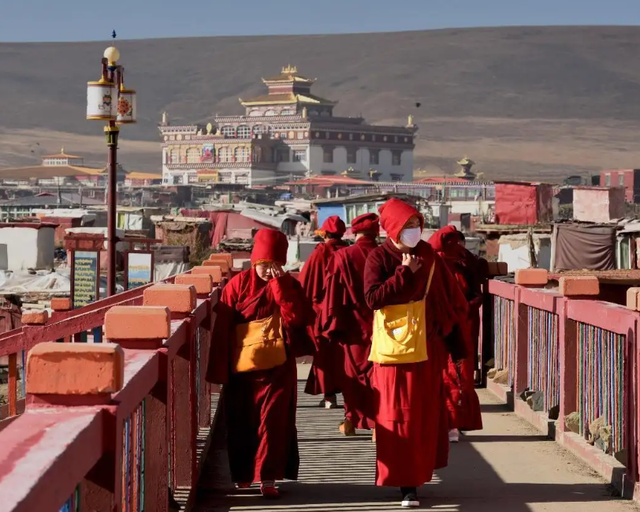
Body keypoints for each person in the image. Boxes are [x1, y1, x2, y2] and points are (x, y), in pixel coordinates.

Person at [364, 198, 468, 509]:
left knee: (422, 419)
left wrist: (457, 349)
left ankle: (416, 479)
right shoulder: (378, 258)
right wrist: (404, 274)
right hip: (394, 355)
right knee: (397, 418)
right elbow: (372, 299)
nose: (414, 231)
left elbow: (447, 304)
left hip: (427, 351)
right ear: (392, 228)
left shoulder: (428, 256)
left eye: (416, 225)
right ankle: (404, 483)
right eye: (407, 226)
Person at [206, 229, 314, 498]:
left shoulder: (289, 284)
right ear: (254, 262)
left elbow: (298, 319)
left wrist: (279, 287)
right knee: (242, 422)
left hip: (278, 368)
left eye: (275, 265)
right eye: (264, 265)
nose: (268, 271)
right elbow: (222, 329)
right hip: (243, 369)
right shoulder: (238, 285)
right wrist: (221, 369)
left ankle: (268, 478)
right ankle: (243, 475)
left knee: (274, 423)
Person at [320, 213, 379, 436]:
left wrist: (330, 323)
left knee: (353, 375)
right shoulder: (386, 255)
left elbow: (332, 294)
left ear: (354, 232)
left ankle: (352, 419)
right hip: (384, 324)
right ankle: (379, 423)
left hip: (352, 324)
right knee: (379, 374)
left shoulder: (343, 256)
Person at [428, 225, 484, 442]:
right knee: (452, 375)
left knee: (454, 375)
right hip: (449, 328)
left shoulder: (463, 261)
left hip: (452, 327)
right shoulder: (435, 262)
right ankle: (449, 423)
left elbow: (475, 294)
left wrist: (462, 309)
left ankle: (453, 423)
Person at [301, 215, 348, 408]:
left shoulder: (320, 253)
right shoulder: (348, 251)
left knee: (325, 355)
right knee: (345, 356)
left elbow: (305, 283)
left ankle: (329, 397)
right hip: (346, 311)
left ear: (326, 233)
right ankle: (349, 400)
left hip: (322, 313)